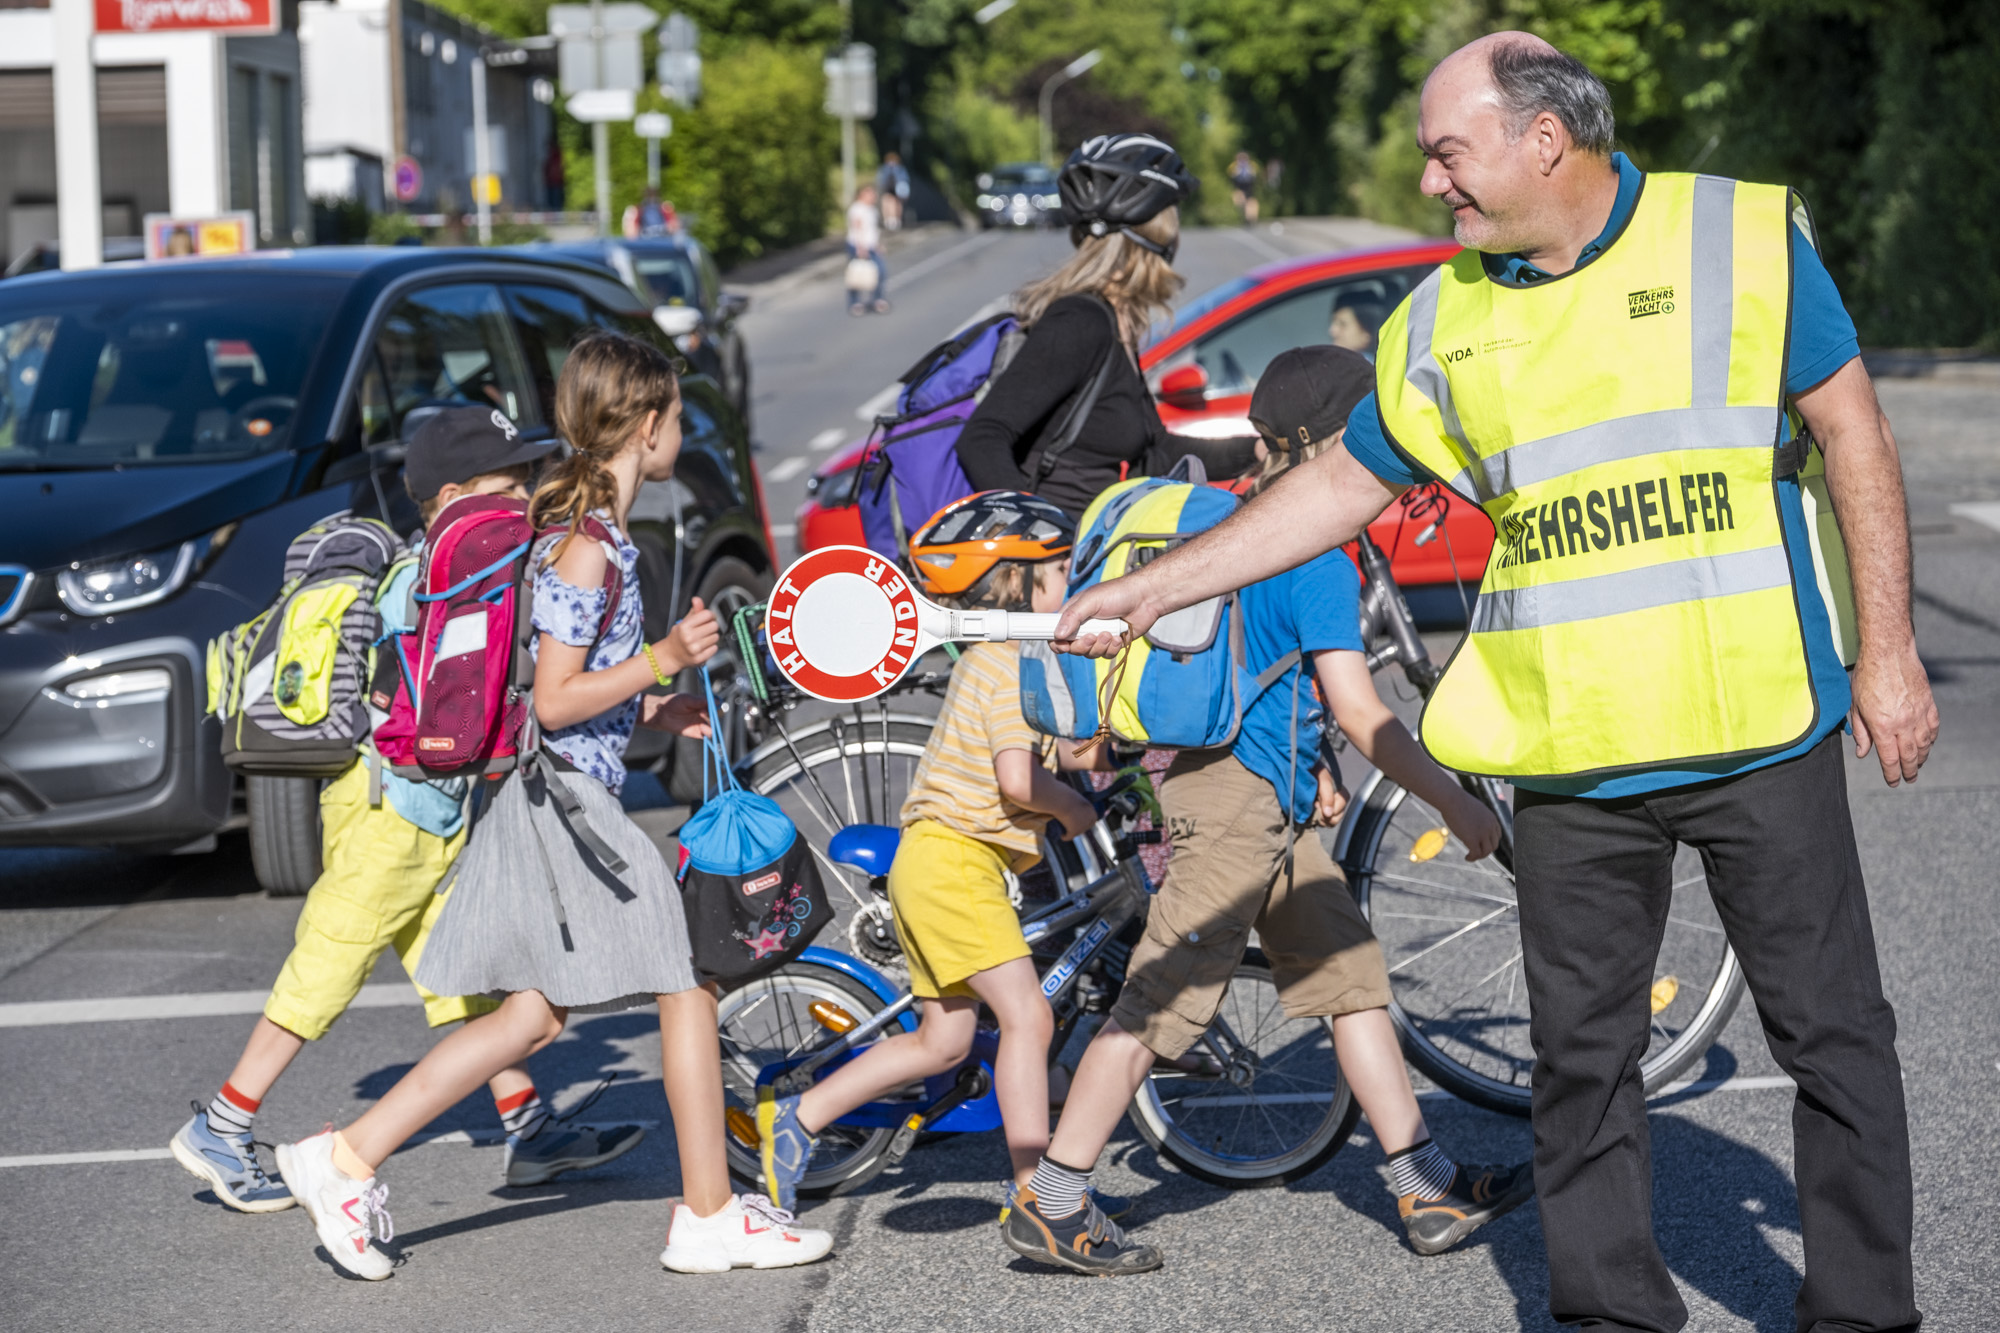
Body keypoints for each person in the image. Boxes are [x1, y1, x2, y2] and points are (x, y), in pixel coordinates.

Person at [1057, 35, 1933, 1333]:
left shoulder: (1732, 240)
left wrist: (1894, 651)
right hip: (1567, 741)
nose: (1430, 182)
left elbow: (1851, 425)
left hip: (1756, 718)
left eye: (1446, 150)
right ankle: (1608, 1312)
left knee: (1833, 1038)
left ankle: (1863, 1311)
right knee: (1581, 1062)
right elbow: (1339, 486)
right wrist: (1162, 584)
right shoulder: (1448, 312)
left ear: (1544, 138)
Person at [273, 333, 833, 1281]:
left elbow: (559, 688)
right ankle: (705, 1215)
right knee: (685, 981)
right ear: (646, 425)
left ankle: (343, 1156)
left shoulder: (594, 535)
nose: (682, 433)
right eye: (677, 418)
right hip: (569, 807)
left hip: (564, 796)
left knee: (530, 1019)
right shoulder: (585, 547)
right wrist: (663, 659)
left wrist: (655, 704)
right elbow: (561, 693)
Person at [1005, 347, 1531, 1277]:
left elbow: (1269, 680)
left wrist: (1309, 768)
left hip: (1252, 796)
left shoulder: (1236, 531)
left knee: (1349, 976)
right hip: (1238, 813)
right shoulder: (1312, 555)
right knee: (1160, 1002)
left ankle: (1424, 1182)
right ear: (1332, 442)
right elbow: (1367, 713)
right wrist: (1453, 801)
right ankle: (1053, 1200)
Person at [169, 409, 644, 1213]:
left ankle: (528, 1127)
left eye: (528, 480)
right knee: (330, 959)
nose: (525, 495)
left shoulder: (458, 568)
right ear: (454, 494)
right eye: (510, 483)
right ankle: (222, 1123)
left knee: (467, 977)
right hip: (389, 806)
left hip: (431, 805)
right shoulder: (434, 574)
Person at [755, 492, 1102, 1220]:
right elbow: (1017, 776)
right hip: (954, 862)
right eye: (1062, 568)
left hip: (938, 861)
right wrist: (1069, 803)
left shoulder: (1011, 659)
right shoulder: (1006, 658)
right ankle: (1038, 1188)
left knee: (944, 1040)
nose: (1073, 578)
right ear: (1019, 582)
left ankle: (800, 1117)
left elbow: (1061, 745)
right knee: (1029, 1020)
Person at [955, 133, 1257, 521]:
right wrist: (1039, 544)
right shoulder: (1081, 321)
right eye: (1171, 217)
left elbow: (1155, 452)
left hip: (1102, 554)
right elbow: (983, 437)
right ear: (1154, 234)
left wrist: (1257, 452)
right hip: (1066, 567)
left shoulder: (1117, 321)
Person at [846, 183, 889, 315]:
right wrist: (860, 247)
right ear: (862, 194)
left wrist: (878, 244)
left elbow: (872, 230)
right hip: (858, 246)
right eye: (870, 193)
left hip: (871, 245)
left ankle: (877, 299)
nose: (873, 196)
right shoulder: (857, 208)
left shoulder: (872, 209)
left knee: (880, 272)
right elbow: (856, 227)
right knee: (856, 274)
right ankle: (855, 302)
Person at [1328, 292, 1385, 357]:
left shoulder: (1373, 366)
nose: (1332, 331)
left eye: (1343, 324)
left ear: (1366, 335)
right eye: (1334, 322)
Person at [877, 152, 911, 231]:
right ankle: (888, 220)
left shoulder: (900, 169)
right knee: (887, 203)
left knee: (897, 204)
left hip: (898, 189)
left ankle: (895, 220)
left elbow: (904, 179)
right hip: (887, 188)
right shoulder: (884, 168)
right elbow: (881, 179)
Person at [1228, 150, 1259, 224]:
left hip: (1249, 186)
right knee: (1239, 201)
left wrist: (1250, 173)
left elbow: (1255, 175)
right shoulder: (1234, 165)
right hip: (1239, 186)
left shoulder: (1251, 165)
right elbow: (1231, 175)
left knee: (1250, 202)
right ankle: (1243, 215)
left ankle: (1250, 218)